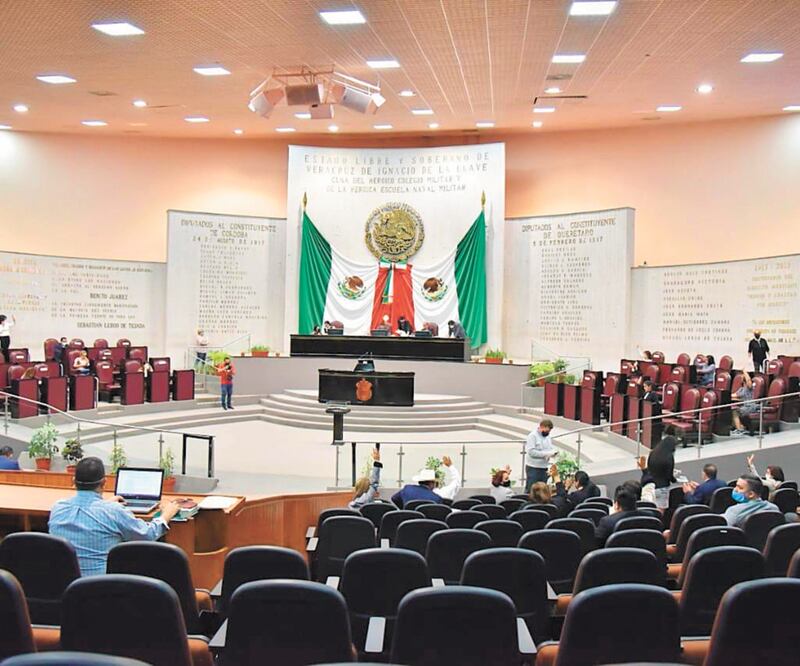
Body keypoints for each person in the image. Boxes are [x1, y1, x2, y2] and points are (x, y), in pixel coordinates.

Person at [48, 457, 180, 576]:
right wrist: (166, 515)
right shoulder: (114, 511)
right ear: (104, 483)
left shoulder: (58, 508)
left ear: (73, 481)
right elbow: (148, 535)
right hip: (100, 589)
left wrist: (105, 504)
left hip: (65, 588)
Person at [525, 419, 556, 492]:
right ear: (542, 427)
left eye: (549, 431)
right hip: (533, 468)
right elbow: (531, 452)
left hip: (544, 468)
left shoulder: (548, 437)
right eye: (547, 431)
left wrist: (553, 453)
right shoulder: (532, 436)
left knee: (542, 491)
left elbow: (550, 448)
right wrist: (546, 454)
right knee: (531, 490)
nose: (548, 433)